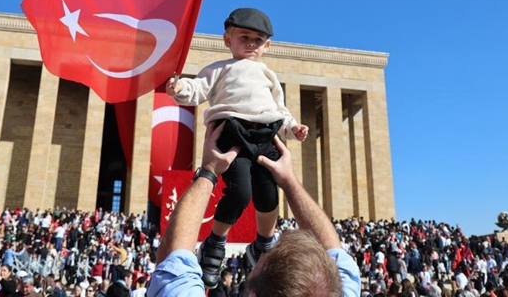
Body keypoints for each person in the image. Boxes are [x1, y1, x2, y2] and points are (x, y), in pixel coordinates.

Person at [166, 8, 309, 287]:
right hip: (232, 133)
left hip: (265, 136)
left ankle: (264, 243)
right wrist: (179, 88)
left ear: (267, 46)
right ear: (227, 39)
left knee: (268, 196)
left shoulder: (268, 75)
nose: (251, 43)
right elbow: (197, 90)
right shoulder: (219, 68)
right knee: (240, 193)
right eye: (244, 37)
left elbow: (279, 111)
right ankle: (216, 241)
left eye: (258, 39)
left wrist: (292, 129)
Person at [147, 121, 359, 297]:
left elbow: (172, 258)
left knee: (248, 194)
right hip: (256, 147)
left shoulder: (340, 289)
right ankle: (256, 242)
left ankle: (220, 241)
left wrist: (209, 171)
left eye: (265, 258)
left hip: (236, 145)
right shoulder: (335, 290)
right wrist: (290, 180)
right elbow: (336, 255)